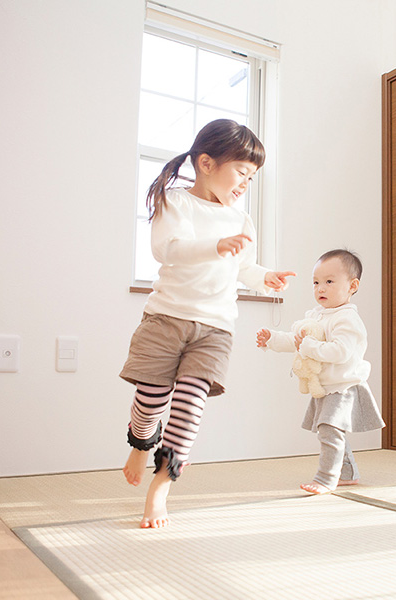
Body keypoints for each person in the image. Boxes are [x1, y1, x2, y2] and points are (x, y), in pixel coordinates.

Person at [120, 119, 295, 528]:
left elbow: (244, 267)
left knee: (190, 405)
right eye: (241, 172)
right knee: (151, 398)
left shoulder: (240, 219)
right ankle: (141, 441)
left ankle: (161, 485)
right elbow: (168, 249)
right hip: (166, 318)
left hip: (216, 327)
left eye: (252, 178)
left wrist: (264, 277)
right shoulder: (176, 202)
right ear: (206, 163)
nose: (245, 184)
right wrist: (216, 246)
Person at [256, 249, 384, 494]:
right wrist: (272, 339)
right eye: (316, 283)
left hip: (344, 387)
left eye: (329, 282)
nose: (320, 288)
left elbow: (340, 351)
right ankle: (347, 473)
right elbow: (296, 340)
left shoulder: (347, 319)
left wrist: (308, 346)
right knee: (331, 430)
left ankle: (326, 478)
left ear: (352, 286)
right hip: (326, 387)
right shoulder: (316, 315)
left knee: (329, 430)